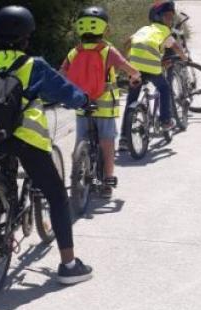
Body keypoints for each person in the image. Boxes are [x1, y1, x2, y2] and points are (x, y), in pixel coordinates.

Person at [0, 5, 93, 284]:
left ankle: (1, 222)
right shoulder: (34, 65)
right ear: (26, 36)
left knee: (7, 176)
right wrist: (84, 101)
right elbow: (66, 92)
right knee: (55, 196)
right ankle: (68, 265)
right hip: (27, 140)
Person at [61, 6, 142, 199]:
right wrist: (136, 76)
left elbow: (61, 74)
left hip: (82, 105)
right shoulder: (107, 51)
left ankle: (78, 174)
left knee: (81, 140)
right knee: (107, 143)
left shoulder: (74, 52)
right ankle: (107, 182)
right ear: (104, 29)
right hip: (104, 107)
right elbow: (127, 68)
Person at [122, 0, 187, 146]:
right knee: (164, 88)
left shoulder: (144, 29)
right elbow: (176, 46)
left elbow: (128, 42)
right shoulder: (164, 31)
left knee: (131, 99)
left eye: (171, 17)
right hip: (152, 68)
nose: (170, 20)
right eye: (168, 17)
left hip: (134, 67)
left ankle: (123, 139)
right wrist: (184, 57)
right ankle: (165, 121)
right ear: (159, 17)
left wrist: (127, 58)